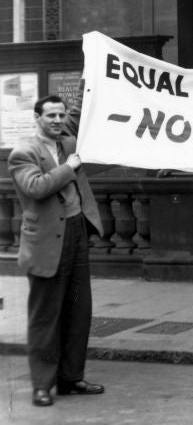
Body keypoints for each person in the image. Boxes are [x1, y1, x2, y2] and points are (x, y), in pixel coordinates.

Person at [8, 94, 105, 407]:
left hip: (76, 234)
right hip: (47, 243)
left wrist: (91, 78)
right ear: (37, 118)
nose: (57, 121)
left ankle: (70, 378)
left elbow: (85, 113)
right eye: (50, 115)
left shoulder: (69, 143)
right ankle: (42, 384)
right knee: (45, 315)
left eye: (61, 115)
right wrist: (69, 167)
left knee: (78, 310)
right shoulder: (23, 153)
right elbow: (36, 187)